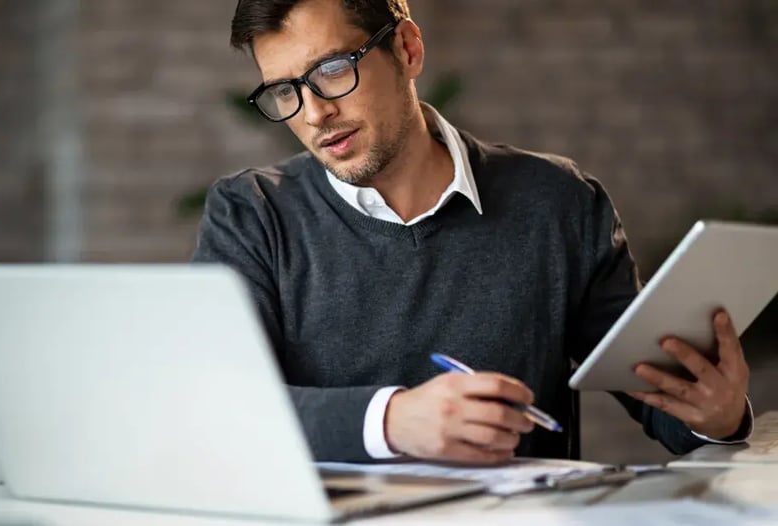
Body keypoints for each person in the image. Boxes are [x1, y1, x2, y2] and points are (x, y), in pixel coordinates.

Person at [192, 0, 753, 463]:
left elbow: (661, 402)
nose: (313, 114)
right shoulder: (251, 213)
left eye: (333, 71)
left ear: (408, 49)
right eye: (284, 91)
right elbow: (216, 409)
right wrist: (391, 421)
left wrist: (715, 416)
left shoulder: (559, 201)